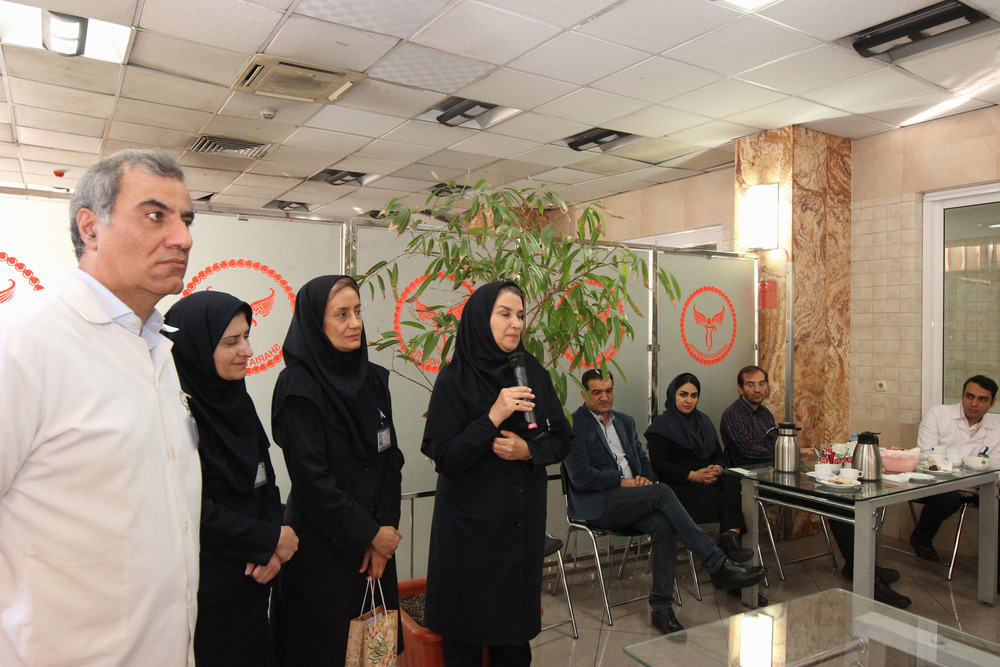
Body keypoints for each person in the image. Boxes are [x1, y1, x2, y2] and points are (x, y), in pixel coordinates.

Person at [0, 149, 201, 665]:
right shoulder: (22, 344)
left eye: (186, 220)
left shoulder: (155, 347)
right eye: (155, 215)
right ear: (90, 228)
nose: (182, 238)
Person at [422, 281, 570, 666]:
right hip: (470, 538)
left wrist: (529, 451)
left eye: (520, 315)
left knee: (513, 644)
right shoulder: (454, 379)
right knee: (465, 639)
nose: (516, 323)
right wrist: (492, 417)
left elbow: (562, 439)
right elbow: (445, 457)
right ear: (479, 319)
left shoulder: (531, 371)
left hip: (518, 533)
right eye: (504, 314)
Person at [566, 369, 766, 636]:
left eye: (609, 390)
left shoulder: (624, 422)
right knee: (662, 492)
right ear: (584, 394)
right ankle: (717, 564)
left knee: (663, 524)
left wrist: (644, 480)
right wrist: (624, 482)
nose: (605, 397)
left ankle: (661, 608)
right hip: (599, 503)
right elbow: (580, 476)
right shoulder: (573, 424)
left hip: (634, 498)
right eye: (597, 392)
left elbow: (644, 462)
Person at [271, 275, 404, 664]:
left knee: (373, 654)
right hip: (323, 554)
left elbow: (391, 458)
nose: (355, 323)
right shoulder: (297, 387)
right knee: (325, 652)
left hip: (376, 548)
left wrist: (385, 533)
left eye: (358, 311)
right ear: (316, 322)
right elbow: (312, 480)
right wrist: (368, 535)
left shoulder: (374, 379)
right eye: (341, 314)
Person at [164, 290, 299, 666]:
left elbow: (266, 478)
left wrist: (271, 544)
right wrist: (266, 539)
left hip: (253, 586)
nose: (248, 350)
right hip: (204, 596)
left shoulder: (236, 399)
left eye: (246, 337)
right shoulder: (172, 417)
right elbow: (187, 507)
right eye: (231, 342)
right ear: (196, 348)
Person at [719, 365, 911, 609]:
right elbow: (748, 452)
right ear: (740, 388)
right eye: (750, 384)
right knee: (830, 500)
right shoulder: (733, 414)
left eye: (762, 383)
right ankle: (869, 578)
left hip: (779, 477)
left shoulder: (765, 414)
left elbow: (774, 445)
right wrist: (790, 452)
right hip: (751, 484)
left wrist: (796, 452)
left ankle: (859, 568)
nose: (757, 389)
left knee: (838, 501)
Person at [646, 372, 766, 606]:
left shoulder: (703, 422)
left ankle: (730, 537)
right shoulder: (661, 426)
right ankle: (733, 573)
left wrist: (715, 469)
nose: (688, 400)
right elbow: (658, 464)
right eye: (683, 394)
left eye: (694, 395)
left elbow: (719, 455)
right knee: (726, 502)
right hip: (677, 489)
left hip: (708, 480)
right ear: (673, 395)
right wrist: (694, 475)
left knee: (735, 484)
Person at [910, 375, 999, 563]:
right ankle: (921, 538)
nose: (974, 403)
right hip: (934, 481)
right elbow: (926, 455)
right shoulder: (938, 414)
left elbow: (996, 466)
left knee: (996, 499)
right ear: (962, 395)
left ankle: (994, 567)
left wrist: (973, 483)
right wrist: (957, 483)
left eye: (982, 399)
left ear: (992, 403)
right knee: (948, 498)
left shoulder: (997, 427)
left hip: (977, 486)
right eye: (969, 396)